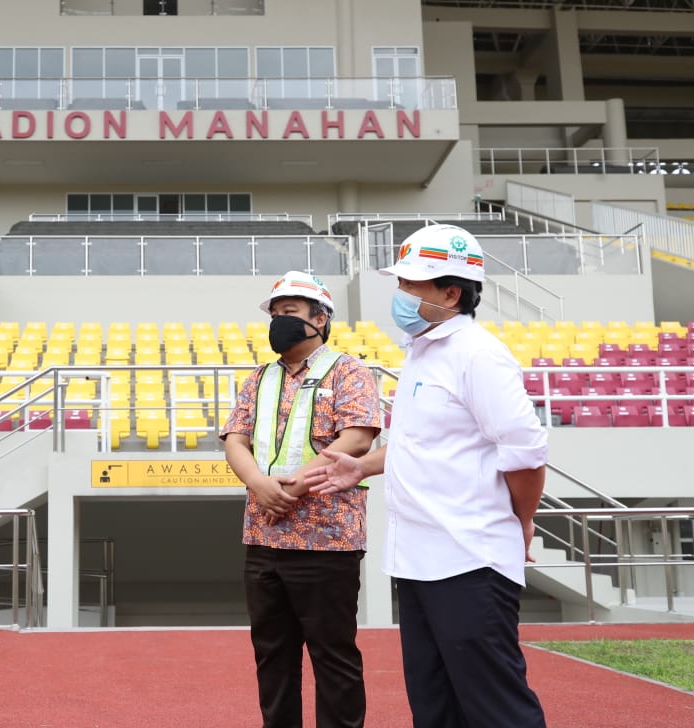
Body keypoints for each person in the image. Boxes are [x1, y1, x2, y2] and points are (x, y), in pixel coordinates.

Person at [304, 224, 549, 728]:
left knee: (495, 708)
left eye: (411, 286)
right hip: (418, 563)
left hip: (469, 560)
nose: (400, 296)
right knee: (435, 707)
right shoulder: (421, 353)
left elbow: (525, 452)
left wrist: (521, 520)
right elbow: (418, 444)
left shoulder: (477, 355)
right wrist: (361, 465)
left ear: (451, 293)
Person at [222, 271, 382, 728]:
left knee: (334, 658)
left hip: (327, 541)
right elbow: (236, 439)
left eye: (288, 312)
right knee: (272, 657)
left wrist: (292, 486)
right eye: (274, 313)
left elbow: (356, 440)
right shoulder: (259, 377)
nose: (278, 321)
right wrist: (259, 484)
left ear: (320, 318)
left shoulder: (349, 371)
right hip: (263, 537)